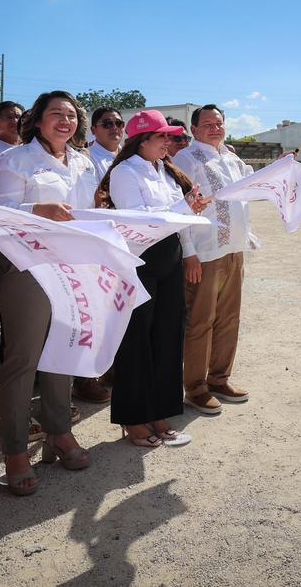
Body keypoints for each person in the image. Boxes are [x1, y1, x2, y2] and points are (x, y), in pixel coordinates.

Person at [0, 90, 95, 496]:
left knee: (62, 352)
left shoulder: (83, 163)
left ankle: (58, 433)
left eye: (71, 115)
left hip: (72, 269)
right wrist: (38, 211)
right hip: (28, 268)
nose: (65, 121)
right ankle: (15, 451)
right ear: (37, 119)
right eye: (56, 114)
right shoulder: (16, 159)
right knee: (22, 360)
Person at [95, 109, 209, 447]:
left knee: (168, 337)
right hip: (138, 262)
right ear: (142, 140)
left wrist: (188, 250)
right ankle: (133, 418)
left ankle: (160, 411)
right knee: (136, 341)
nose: (169, 142)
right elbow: (141, 222)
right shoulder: (125, 173)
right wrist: (186, 208)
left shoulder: (166, 171)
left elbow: (178, 221)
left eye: (170, 136)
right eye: (163, 136)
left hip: (169, 258)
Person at [173, 104, 255, 415]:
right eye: (207, 123)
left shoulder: (232, 159)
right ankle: (195, 387)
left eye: (219, 122)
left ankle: (220, 378)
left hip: (234, 249)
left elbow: (257, 184)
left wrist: (284, 165)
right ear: (193, 130)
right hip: (205, 254)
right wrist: (189, 253)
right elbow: (181, 209)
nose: (215, 128)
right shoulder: (185, 159)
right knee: (200, 321)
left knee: (229, 319)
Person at [88, 107, 123, 178]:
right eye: (107, 124)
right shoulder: (87, 159)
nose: (115, 127)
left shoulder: (131, 156)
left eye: (118, 123)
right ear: (93, 130)